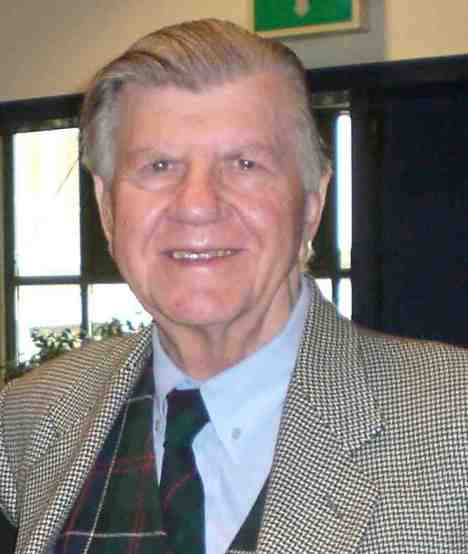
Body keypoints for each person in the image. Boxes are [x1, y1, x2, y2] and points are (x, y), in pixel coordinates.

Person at [1, 18, 467, 554]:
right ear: (107, 209)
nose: (197, 205)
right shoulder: (29, 417)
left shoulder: (454, 425)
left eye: (245, 164)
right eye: (159, 165)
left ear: (311, 202)